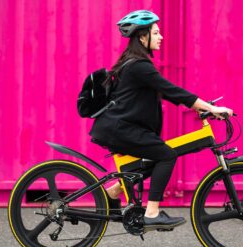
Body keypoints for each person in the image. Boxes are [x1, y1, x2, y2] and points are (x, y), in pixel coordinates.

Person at [89, 10, 233, 230]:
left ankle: (114, 192)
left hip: (117, 127)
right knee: (166, 154)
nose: (161, 37)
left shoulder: (133, 63)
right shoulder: (139, 66)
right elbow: (172, 90)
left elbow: (167, 93)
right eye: (156, 33)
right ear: (142, 37)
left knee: (154, 158)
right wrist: (212, 107)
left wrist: (204, 108)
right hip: (119, 129)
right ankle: (152, 212)